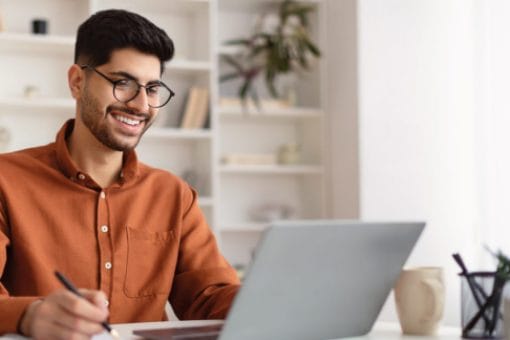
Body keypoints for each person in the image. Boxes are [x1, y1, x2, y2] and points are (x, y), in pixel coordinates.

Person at [0, 9, 240, 339]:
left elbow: (209, 297)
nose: (141, 104)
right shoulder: (6, 180)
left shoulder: (174, 195)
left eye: (153, 88)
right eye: (122, 82)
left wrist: (273, 300)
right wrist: (30, 315)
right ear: (77, 81)